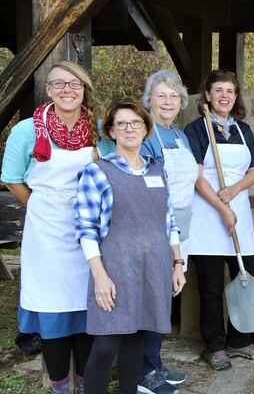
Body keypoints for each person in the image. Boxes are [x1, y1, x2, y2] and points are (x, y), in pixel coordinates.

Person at [1, 61, 111, 394]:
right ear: (48, 90)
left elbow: (112, 169)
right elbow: (11, 179)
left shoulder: (98, 130)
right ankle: (61, 386)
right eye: (59, 84)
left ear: (84, 91)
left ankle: (86, 382)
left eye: (74, 85)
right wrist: (39, 204)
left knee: (86, 303)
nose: (67, 90)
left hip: (87, 227)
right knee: (53, 309)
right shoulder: (27, 130)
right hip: (46, 229)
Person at [75, 101, 186, 394]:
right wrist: (100, 276)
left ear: (145, 129)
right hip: (116, 268)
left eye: (136, 123)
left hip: (155, 267)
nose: (129, 129)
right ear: (111, 131)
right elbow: (86, 230)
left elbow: (169, 221)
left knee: (137, 337)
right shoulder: (97, 171)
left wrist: (178, 264)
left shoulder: (157, 170)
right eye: (121, 124)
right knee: (106, 344)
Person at [183, 69, 254, 371]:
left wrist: (234, 190)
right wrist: (221, 207)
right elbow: (196, 175)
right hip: (208, 213)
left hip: (239, 211)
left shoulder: (243, 130)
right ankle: (215, 345)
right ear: (207, 95)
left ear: (235, 96)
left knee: (247, 277)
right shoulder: (196, 129)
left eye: (229, 91)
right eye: (218, 90)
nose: (224, 96)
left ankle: (240, 339)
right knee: (211, 286)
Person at [138, 70, 197, 393]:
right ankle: (144, 372)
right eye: (161, 95)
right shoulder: (146, 134)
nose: (168, 101)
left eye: (174, 96)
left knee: (164, 298)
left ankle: (155, 364)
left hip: (181, 226)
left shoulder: (178, 134)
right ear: (149, 100)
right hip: (155, 226)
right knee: (152, 300)